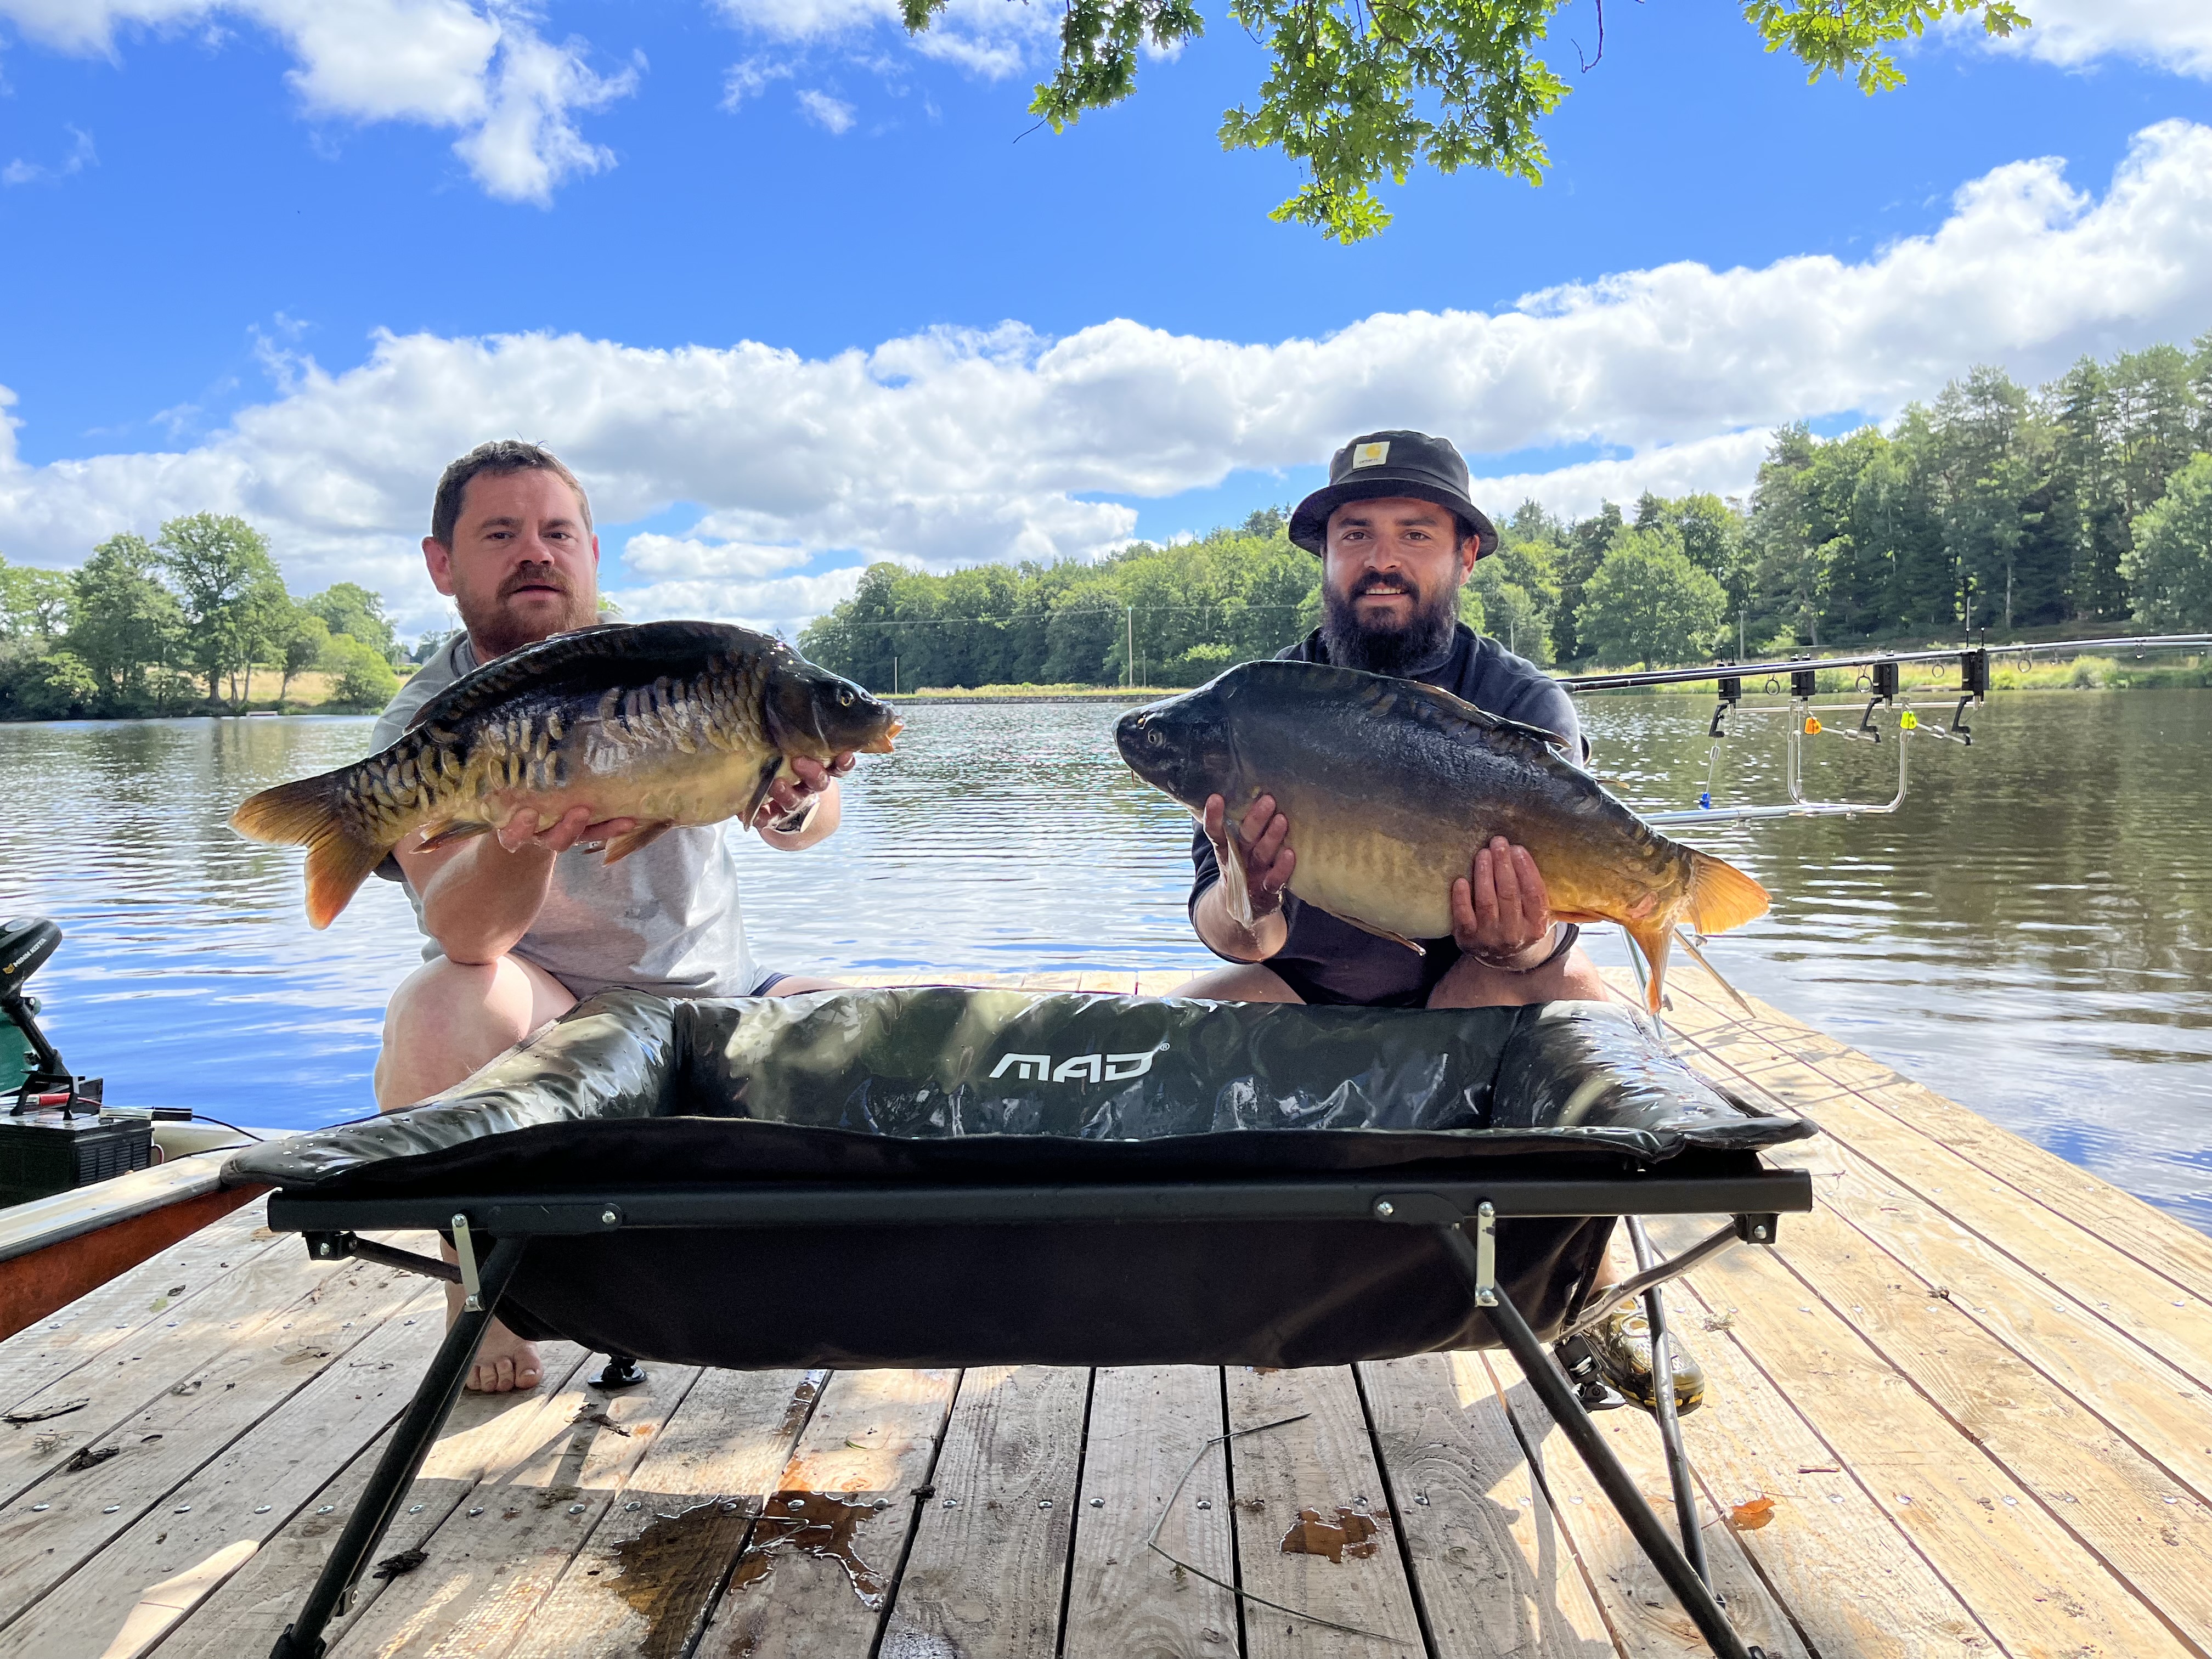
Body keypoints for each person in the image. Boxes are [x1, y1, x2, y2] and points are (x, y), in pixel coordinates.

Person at [1176, 427, 1700, 1414]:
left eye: (1415, 532)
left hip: (1469, 988)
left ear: (1464, 554)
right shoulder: (1261, 706)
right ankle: (1246, 1275)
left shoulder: (1520, 701)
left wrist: (1525, 939)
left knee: (1585, 1006)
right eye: (1355, 533)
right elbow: (1224, 923)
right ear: (1326, 558)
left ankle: (1586, 1291)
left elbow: (1551, 940)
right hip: (1314, 996)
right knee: (1183, 1023)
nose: (1381, 558)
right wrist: (1247, 913)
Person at [368, 440, 857, 1393]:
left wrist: (793, 796)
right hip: (558, 1015)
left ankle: (866, 1289)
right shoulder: (426, 725)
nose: (535, 554)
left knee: (899, 1022)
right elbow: (467, 936)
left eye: (557, 533)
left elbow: (812, 826)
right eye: (500, 534)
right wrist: (532, 830)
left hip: (715, 998)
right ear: (443, 565)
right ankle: (484, 1297)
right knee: (437, 1004)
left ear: (592, 552)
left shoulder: (689, 668)